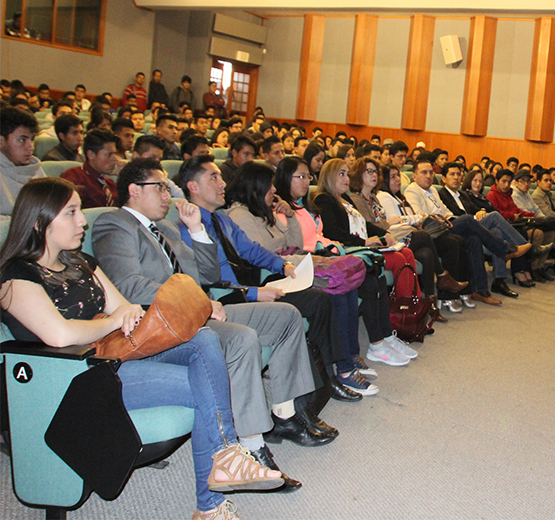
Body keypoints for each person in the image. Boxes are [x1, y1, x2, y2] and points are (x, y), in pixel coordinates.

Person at [0, 177, 283, 520]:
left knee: (204, 339)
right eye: (71, 212)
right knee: (205, 385)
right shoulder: (17, 276)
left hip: (113, 358)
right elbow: (60, 335)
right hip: (72, 380)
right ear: (38, 221)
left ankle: (223, 464)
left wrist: (122, 317)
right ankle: (212, 501)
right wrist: (113, 320)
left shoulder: (81, 262)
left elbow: (126, 310)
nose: (82, 221)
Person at [92, 158, 326, 492]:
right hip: (166, 322)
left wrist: (197, 231)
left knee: (286, 315)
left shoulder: (171, 228)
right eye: (159, 187)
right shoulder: (114, 224)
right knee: (242, 339)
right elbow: (129, 286)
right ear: (133, 190)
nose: (167, 194)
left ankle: (285, 414)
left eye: (166, 187)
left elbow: (207, 275)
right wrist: (196, 301)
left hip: (201, 308)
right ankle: (253, 445)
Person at [190, 158, 372, 398]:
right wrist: (256, 290)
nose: (222, 183)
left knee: (331, 294)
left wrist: (283, 261)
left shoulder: (224, 219)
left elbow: (259, 250)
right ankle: (335, 374)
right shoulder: (199, 224)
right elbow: (211, 277)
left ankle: (338, 369)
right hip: (240, 292)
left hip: (264, 278)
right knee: (319, 300)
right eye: (214, 177)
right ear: (193, 187)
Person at [274, 157, 412, 373]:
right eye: (300, 176)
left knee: (375, 271)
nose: (305, 181)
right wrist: (341, 246)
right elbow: (296, 245)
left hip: (331, 252)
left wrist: (337, 247)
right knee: (363, 277)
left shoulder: (307, 204)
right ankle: (371, 346)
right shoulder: (287, 208)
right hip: (312, 260)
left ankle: (383, 337)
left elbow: (322, 235)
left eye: (306, 176)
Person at [312, 158, 420, 364]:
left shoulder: (344, 199)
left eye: (347, 173)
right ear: (329, 176)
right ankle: (377, 345)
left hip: (359, 250)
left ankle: (386, 336)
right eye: (341, 174)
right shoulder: (324, 199)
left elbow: (365, 224)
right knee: (371, 276)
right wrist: (365, 242)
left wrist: (382, 235)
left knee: (377, 270)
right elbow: (334, 232)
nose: (346, 178)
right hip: (344, 252)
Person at [405, 158, 531, 306]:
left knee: (474, 238)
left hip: (445, 225)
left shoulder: (433, 190)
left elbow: (445, 211)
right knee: (474, 219)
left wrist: (447, 218)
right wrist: (445, 218)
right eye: (424, 173)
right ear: (414, 176)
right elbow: (420, 217)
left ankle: (480, 290)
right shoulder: (412, 190)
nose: (428, 176)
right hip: (432, 232)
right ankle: (507, 249)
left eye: (431, 173)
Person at [378, 163, 472, 314]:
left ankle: (431, 304)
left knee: (437, 249)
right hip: (399, 239)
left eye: (398, 176)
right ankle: (442, 277)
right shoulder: (384, 196)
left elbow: (414, 217)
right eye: (392, 177)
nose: (397, 180)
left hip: (414, 235)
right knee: (427, 236)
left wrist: (417, 218)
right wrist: (417, 218)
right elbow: (395, 221)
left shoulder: (399, 197)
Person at [0, 105, 46, 215]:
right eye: (22, 140)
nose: (31, 147)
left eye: (32, 140)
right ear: (1, 141)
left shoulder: (36, 169)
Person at [60, 129, 119, 209]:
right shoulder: (75, 176)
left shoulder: (110, 183)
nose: (114, 159)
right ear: (91, 154)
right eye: (109, 154)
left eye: (114, 154)